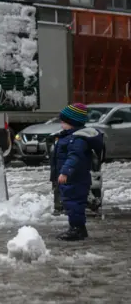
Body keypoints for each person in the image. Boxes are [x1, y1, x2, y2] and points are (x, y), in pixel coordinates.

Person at [50, 103, 103, 241]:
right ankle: (79, 228)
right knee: (72, 204)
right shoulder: (69, 137)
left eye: (64, 122)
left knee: (74, 204)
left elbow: (75, 157)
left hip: (74, 178)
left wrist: (65, 172)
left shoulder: (77, 140)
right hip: (72, 178)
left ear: (72, 123)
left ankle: (77, 229)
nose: (61, 124)